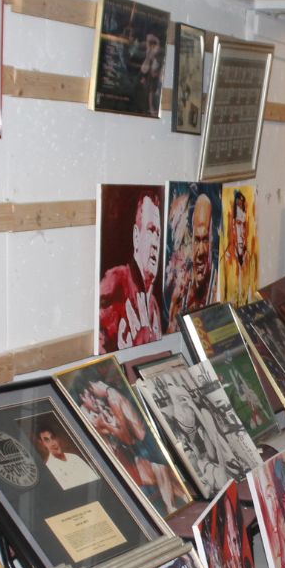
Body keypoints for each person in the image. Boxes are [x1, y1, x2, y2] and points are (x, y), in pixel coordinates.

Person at [74, 376, 186, 514]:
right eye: (90, 395)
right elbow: (123, 437)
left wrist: (108, 422)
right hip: (117, 462)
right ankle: (174, 504)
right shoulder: (86, 415)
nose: (95, 399)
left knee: (161, 468)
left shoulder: (103, 404)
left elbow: (124, 433)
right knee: (160, 468)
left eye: (93, 394)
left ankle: (179, 502)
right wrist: (107, 425)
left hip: (129, 452)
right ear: (82, 397)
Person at [98, 193, 163, 352]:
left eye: (158, 234)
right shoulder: (116, 281)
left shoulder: (154, 306)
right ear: (136, 236)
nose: (155, 242)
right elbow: (98, 346)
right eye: (150, 230)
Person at [218, 190, 257, 307]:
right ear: (233, 226)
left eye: (244, 225)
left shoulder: (250, 260)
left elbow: (253, 300)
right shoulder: (225, 261)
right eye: (239, 225)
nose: (242, 233)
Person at [34, 422, 99, 491]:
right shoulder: (50, 469)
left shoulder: (74, 457)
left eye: (53, 438)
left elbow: (94, 479)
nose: (53, 443)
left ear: (57, 438)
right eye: (47, 440)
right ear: (43, 444)